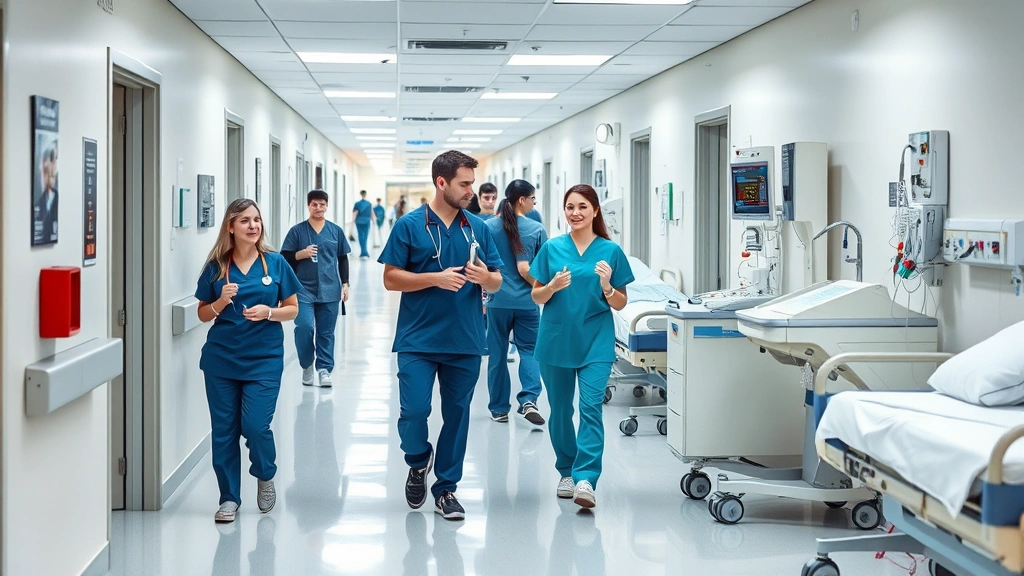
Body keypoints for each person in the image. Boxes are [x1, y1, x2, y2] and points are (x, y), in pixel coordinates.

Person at [379, 150, 503, 521]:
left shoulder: (478, 228)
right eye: (465, 184)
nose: (471, 191)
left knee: (457, 416)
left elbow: (496, 278)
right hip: (418, 338)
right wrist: (435, 278)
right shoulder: (410, 225)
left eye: (472, 183)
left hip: (464, 338)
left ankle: (446, 489)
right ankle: (418, 461)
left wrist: (485, 279)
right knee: (413, 411)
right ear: (441, 182)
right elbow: (390, 278)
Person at [194, 198, 301, 523]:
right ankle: (228, 498)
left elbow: (293, 308)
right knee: (224, 431)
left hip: (264, 360)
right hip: (221, 361)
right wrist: (220, 302)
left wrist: (269, 312)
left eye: (256, 219)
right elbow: (201, 314)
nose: (253, 226)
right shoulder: (215, 266)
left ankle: (265, 473)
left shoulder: (275, 263)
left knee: (256, 426)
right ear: (231, 227)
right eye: (245, 221)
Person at [530, 184, 634, 510]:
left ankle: (586, 478)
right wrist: (552, 286)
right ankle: (566, 472)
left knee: (590, 408)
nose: (575, 213)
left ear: (595, 211)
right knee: (560, 411)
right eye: (570, 207)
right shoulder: (551, 248)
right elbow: (536, 296)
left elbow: (620, 302)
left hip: (595, 342)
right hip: (556, 339)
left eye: (582, 207)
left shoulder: (611, 251)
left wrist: (606, 286)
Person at [484, 180, 547, 426]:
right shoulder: (536, 229)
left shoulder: (487, 227)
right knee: (529, 350)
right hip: (528, 303)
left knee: (497, 356)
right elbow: (542, 269)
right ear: (522, 199)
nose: (534, 203)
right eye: (532, 198)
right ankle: (529, 398)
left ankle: (499, 409)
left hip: (497, 301)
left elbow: (482, 266)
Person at [281, 190, 351, 388]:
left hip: (330, 288)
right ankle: (306, 364)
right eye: (314, 205)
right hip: (302, 289)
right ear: (308, 206)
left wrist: (345, 284)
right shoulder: (297, 231)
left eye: (322, 204)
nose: (318, 208)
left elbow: (342, 259)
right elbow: (284, 257)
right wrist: (300, 254)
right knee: (304, 327)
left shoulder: (335, 231)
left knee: (326, 332)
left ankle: (324, 369)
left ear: (327, 206)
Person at [352, 190, 373, 259]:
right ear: (365, 195)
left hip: (359, 221)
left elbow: (355, 213)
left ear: (360, 194)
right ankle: (365, 251)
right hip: (367, 221)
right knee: (366, 236)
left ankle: (363, 252)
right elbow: (371, 213)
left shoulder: (357, 204)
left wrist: (352, 222)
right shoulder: (369, 203)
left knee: (361, 236)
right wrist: (374, 220)